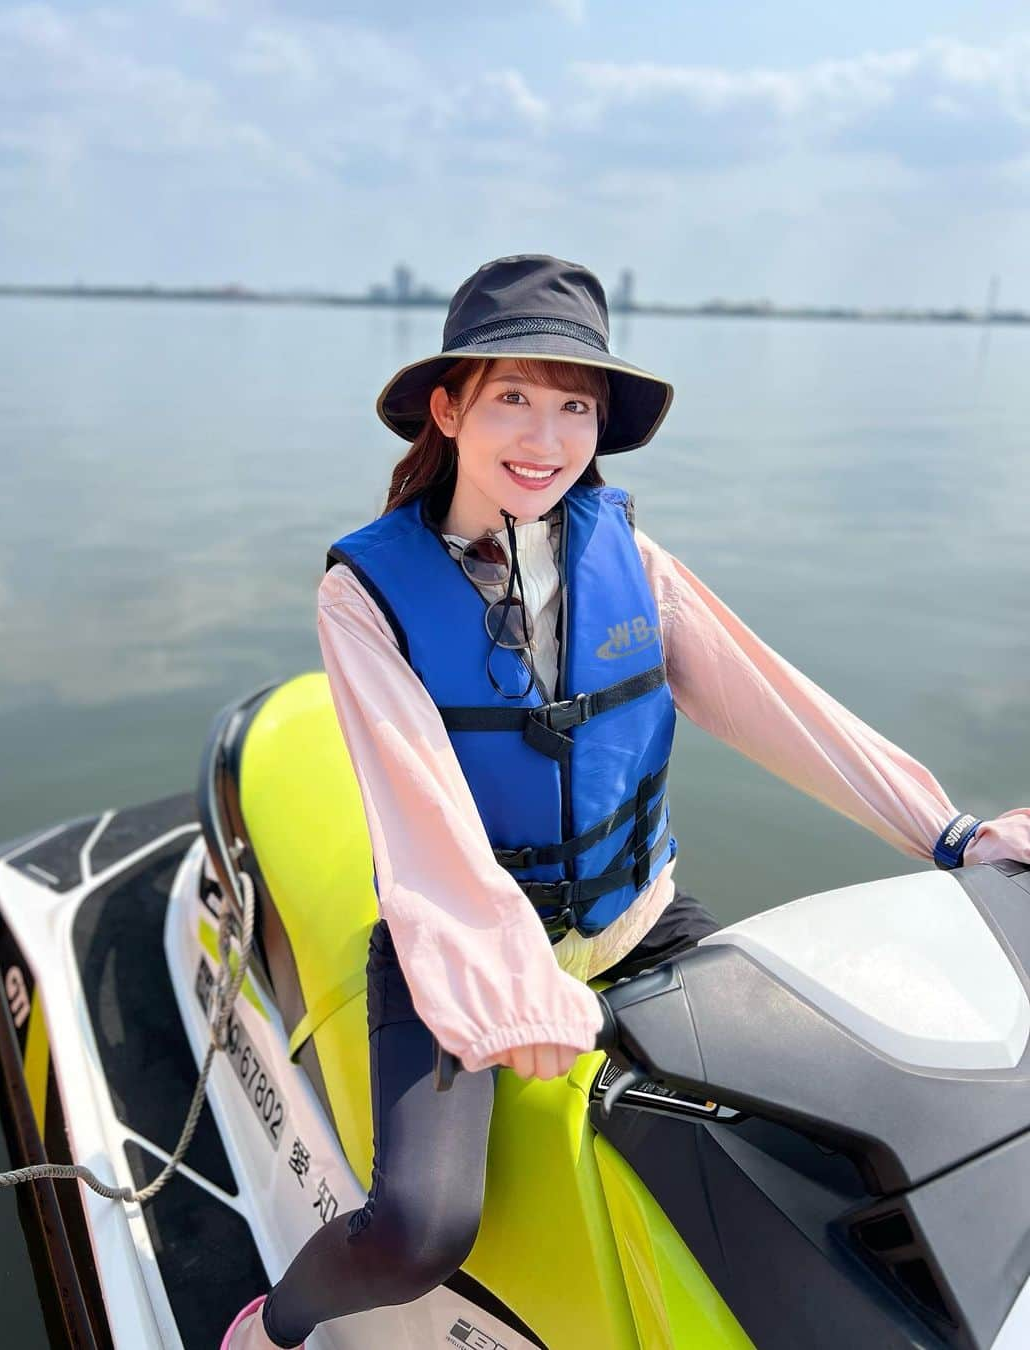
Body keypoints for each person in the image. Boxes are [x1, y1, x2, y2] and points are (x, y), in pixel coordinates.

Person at [221, 255, 1030, 1349]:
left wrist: (950, 832)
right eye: (514, 398)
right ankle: (273, 1326)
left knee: (815, 1137)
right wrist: (515, 993)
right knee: (420, 1227)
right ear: (450, 407)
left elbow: (782, 709)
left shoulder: (630, 559)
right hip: (460, 954)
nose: (545, 440)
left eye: (574, 408)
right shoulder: (364, 593)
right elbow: (425, 821)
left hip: (640, 926)